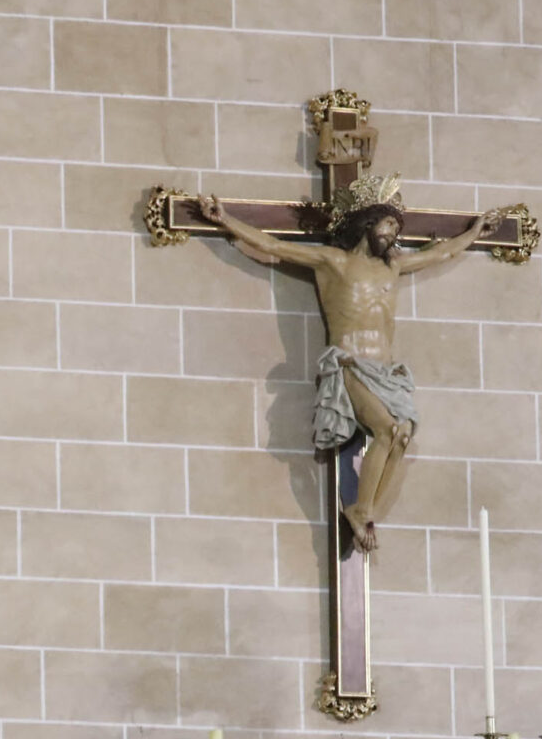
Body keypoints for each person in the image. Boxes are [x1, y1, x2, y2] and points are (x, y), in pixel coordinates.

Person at [198, 183, 497, 551]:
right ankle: (361, 510)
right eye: (387, 225)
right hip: (352, 364)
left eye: (396, 230)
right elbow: (273, 246)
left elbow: (440, 254)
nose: (392, 235)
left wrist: (471, 234)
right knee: (387, 429)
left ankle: (364, 509)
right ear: (367, 224)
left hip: (385, 371)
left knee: (403, 435)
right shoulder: (333, 262)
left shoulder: (394, 267)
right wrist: (226, 219)